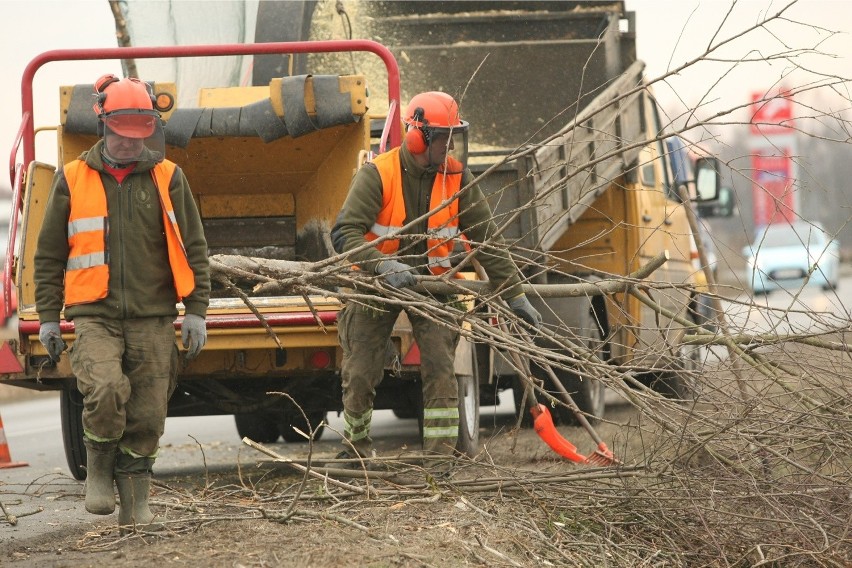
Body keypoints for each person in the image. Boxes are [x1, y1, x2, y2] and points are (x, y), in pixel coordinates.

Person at [34, 74, 210, 530]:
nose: (132, 144)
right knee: (107, 391)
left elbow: (195, 248)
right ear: (103, 126)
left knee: (149, 414)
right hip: (94, 316)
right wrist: (49, 319)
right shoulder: (72, 178)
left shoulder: (169, 177)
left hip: (154, 318)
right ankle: (98, 472)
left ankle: (135, 504)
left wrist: (196, 311)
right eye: (122, 135)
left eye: (140, 135)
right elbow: (49, 253)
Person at [331, 91, 541, 466]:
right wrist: (381, 264)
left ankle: (440, 463)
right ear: (418, 136)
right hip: (374, 282)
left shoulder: (458, 177)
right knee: (360, 371)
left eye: (453, 136)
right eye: (443, 137)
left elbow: (488, 240)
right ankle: (354, 454)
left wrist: (516, 294)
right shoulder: (378, 174)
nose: (450, 145)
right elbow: (344, 233)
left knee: (442, 371)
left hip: (433, 286)